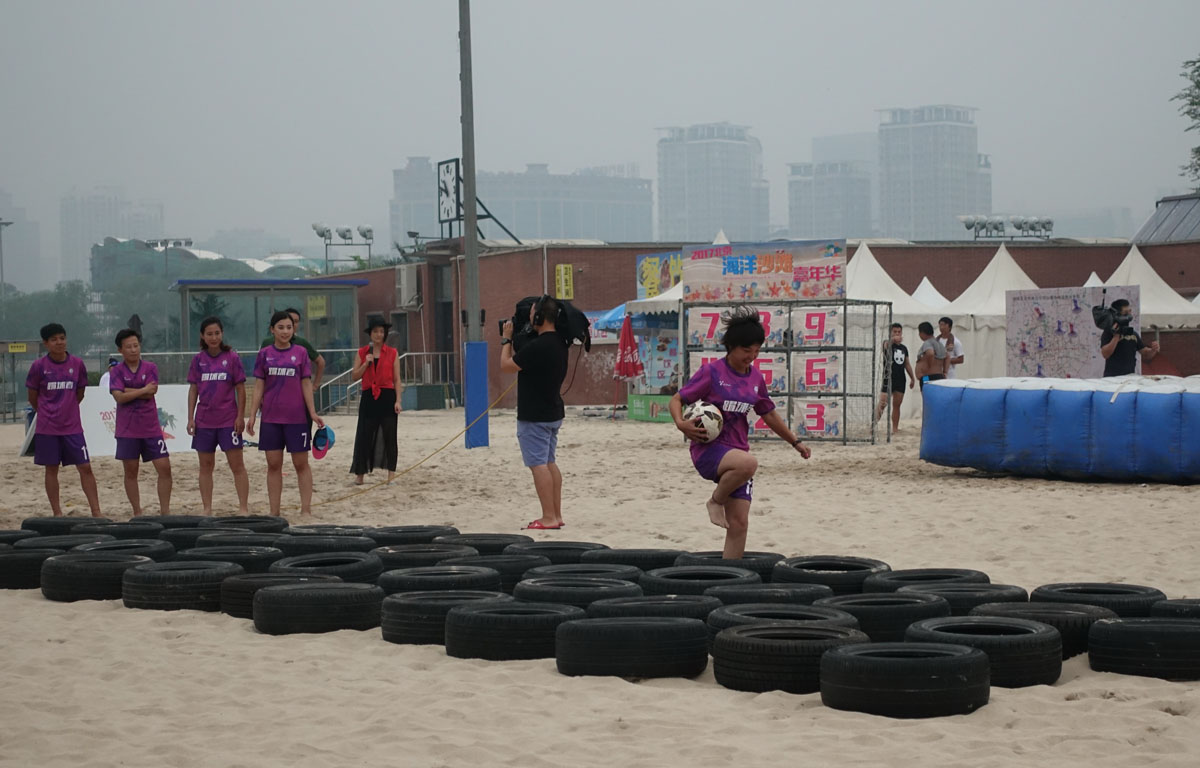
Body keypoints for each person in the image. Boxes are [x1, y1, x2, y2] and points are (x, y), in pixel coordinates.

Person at [669, 307, 811, 560]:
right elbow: (677, 399)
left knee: (739, 524)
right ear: (731, 347)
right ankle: (715, 501)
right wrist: (681, 423)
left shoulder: (755, 378)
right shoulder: (712, 373)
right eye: (747, 350)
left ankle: (731, 580)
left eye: (757, 350)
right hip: (709, 450)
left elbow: (768, 413)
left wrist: (795, 442)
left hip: (737, 454)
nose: (752, 356)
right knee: (749, 463)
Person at [499, 295, 569, 530]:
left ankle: (548, 517)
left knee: (538, 464)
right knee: (549, 462)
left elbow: (506, 365)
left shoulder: (539, 346)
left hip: (534, 413)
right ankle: (556, 514)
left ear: (539, 316)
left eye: (531, 315)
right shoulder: (560, 341)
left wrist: (506, 340)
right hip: (552, 410)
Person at [247, 310, 325, 517]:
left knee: (301, 463)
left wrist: (313, 413)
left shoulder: (300, 353)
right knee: (273, 464)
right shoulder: (264, 354)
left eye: (289, 327)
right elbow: (258, 386)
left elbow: (306, 384)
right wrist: (253, 414)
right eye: (280, 327)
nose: (285, 331)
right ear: (272, 330)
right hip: (271, 418)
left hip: (297, 418)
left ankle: (306, 509)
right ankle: (275, 512)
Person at [26, 323, 102, 518]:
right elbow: (33, 397)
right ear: (46, 343)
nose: (59, 342)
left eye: (62, 338)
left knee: (85, 467)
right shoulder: (38, 367)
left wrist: (67, 410)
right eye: (54, 339)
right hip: (47, 428)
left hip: (72, 427)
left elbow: (80, 393)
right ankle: (57, 513)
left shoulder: (77, 364)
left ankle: (96, 511)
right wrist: (47, 412)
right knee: (51, 469)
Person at [186, 316, 250, 516]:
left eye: (217, 333)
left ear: (222, 334)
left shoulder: (232, 358)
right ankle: (207, 508)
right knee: (205, 466)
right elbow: (193, 390)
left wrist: (241, 416)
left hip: (228, 420)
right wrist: (190, 418)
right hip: (204, 420)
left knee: (237, 465)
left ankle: (243, 507)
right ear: (202, 336)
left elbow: (241, 390)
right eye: (209, 334)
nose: (213, 337)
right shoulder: (198, 360)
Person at [110, 328, 172, 517]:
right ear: (120, 350)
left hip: (151, 427)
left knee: (164, 468)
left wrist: (130, 391)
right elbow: (118, 397)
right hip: (127, 429)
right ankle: (137, 512)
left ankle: (165, 511)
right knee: (131, 472)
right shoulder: (117, 371)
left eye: (136, 345)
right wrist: (140, 391)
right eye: (128, 347)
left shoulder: (150, 367)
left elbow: (152, 391)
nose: (133, 350)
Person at [350, 315, 403, 485]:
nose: (379, 335)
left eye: (382, 331)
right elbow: (354, 376)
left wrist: (398, 400)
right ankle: (360, 475)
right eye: (375, 331)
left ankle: (391, 476)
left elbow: (397, 379)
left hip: (387, 396)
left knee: (389, 436)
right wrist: (365, 364)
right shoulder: (362, 352)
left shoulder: (393, 353)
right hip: (368, 397)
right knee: (365, 436)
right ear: (370, 334)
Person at [260, 306, 326, 392]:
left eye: (296, 322)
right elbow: (260, 375)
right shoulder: (267, 344)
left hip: (297, 394)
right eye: (291, 321)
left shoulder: (302, 344)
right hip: (272, 394)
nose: (293, 324)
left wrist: (315, 386)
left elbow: (320, 362)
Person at [1100, 299, 1159, 376]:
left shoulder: (1133, 333)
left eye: (1130, 311)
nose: (1129, 315)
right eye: (1125, 313)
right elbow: (1105, 354)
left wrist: (1153, 350)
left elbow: (1145, 353)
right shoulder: (1109, 332)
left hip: (1129, 378)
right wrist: (1116, 337)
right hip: (1112, 378)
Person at [874, 323, 916, 433]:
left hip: (901, 379)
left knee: (897, 405)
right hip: (888, 378)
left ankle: (895, 428)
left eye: (899, 332)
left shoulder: (904, 348)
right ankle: (872, 426)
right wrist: (893, 339)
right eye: (895, 332)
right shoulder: (887, 343)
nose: (897, 334)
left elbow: (907, 364)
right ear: (890, 333)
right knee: (882, 404)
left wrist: (912, 378)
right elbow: (886, 345)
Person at [914, 321, 948, 390]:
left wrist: (929, 366)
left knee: (927, 398)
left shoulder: (927, 343)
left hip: (928, 377)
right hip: (939, 376)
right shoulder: (939, 344)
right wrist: (945, 371)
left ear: (922, 333)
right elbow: (948, 357)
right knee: (936, 397)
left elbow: (930, 353)